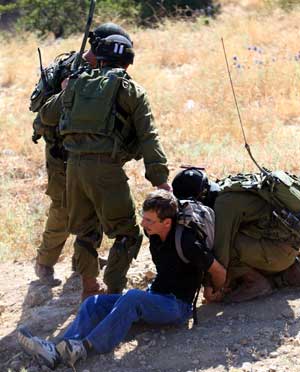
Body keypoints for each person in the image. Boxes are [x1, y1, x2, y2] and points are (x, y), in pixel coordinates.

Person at [17, 190, 226, 370]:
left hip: (177, 307)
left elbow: (218, 271)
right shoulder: (154, 235)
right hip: (155, 298)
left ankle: (85, 347)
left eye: (149, 220)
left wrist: (213, 292)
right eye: (143, 217)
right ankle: (56, 350)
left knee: (133, 297)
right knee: (93, 303)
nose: (143, 224)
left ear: (167, 222)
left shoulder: (188, 242)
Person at [39, 27, 172, 299]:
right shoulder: (131, 90)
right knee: (127, 234)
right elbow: (149, 137)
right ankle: (112, 290)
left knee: (85, 232)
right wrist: (160, 180)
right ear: (127, 62)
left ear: (99, 58)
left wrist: (64, 91)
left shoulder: (76, 83)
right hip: (106, 171)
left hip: (73, 169)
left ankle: (89, 287)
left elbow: (45, 117)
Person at [32, 23, 132, 286]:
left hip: (89, 152)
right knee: (63, 210)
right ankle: (45, 263)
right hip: (61, 153)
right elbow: (43, 116)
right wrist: (65, 90)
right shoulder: (69, 69)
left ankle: (83, 262)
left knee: (92, 207)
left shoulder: (105, 70)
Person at [172, 167, 300, 303]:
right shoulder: (226, 187)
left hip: (279, 252)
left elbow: (221, 252)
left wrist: (213, 286)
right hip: (284, 245)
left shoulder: (224, 204)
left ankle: (255, 283)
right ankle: (288, 271)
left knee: (227, 246)